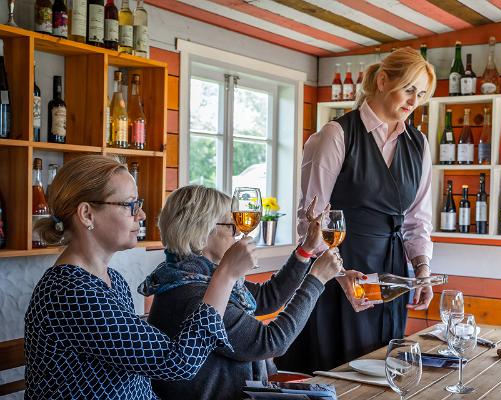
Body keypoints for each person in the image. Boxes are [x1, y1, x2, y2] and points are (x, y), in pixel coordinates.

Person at [25, 155, 253, 399]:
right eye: (130, 205)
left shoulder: (111, 280)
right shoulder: (70, 293)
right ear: (87, 215)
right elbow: (179, 362)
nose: (142, 214)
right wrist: (225, 275)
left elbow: (135, 379)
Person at [277, 47, 437, 374]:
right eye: (408, 89)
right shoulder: (336, 136)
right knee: (337, 371)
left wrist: (421, 270)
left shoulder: (419, 144)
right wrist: (338, 273)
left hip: (391, 273)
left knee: (384, 368)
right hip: (337, 269)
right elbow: (311, 222)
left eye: (420, 94)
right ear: (382, 81)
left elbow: (416, 221)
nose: (413, 100)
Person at [139, 185, 347, 400]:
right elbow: (271, 341)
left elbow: (268, 297)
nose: (239, 233)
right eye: (232, 225)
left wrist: (306, 249)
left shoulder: (201, 275)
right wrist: (317, 280)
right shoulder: (193, 293)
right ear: (201, 232)